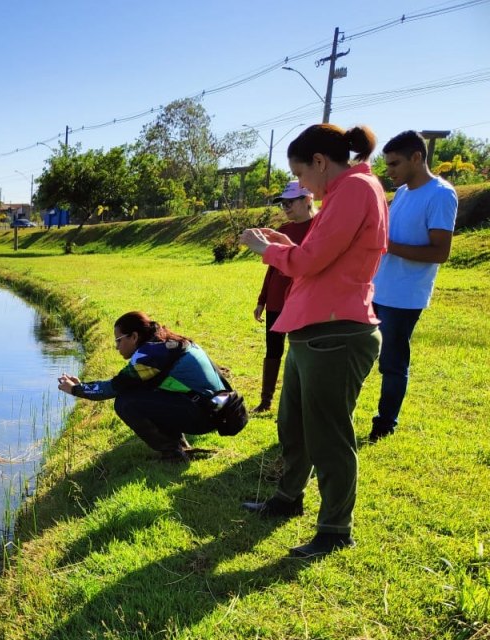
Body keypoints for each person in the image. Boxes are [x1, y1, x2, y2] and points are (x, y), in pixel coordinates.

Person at [238, 124, 386, 559]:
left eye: (300, 173)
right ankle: (288, 499)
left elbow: (309, 261)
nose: (301, 185)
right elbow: (318, 250)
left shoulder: (356, 190)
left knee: (328, 435)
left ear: (319, 162)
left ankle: (335, 529)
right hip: (314, 329)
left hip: (336, 332)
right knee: (294, 424)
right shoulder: (345, 193)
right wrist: (283, 242)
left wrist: (264, 250)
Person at [367, 130, 458, 443]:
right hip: (378, 289)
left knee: (392, 363)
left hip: (404, 297)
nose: (389, 171)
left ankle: (385, 423)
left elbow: (440, 252)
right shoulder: (404, 192)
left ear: (417, 158)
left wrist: (388, 245)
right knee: (361, 355)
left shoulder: (441, 194)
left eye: (394, 164)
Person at [57, 311, 225, 463]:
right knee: (143, 392)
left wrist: (75, 389)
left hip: (206, 416)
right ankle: (178, 445)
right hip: (218, 409)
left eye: (119, 340)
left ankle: (173, 454)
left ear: (134, 337)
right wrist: (82, 386)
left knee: (125, 402)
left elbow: (113, 388)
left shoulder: (149, 356)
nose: (116, 347)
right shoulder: (167, 343)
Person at [253, 180, 317, 412]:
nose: (286, 208)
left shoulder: (319, 227)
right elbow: (272, 266)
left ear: (308, 199)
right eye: (283, 204)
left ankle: (300, 402)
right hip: (277, 300)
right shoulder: (283, 231)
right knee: (273, 349)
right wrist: (262, 299)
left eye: (291, 202)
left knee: (301, 352)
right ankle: (266, 400)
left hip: (303, 301)